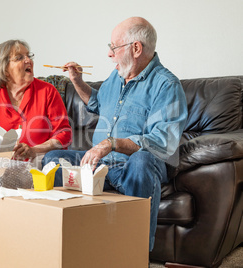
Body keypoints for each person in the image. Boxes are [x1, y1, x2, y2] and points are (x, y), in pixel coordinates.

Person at [42, 17, 188, 251]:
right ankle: (63, 246)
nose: (109, 54)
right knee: (52, 160)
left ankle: (135, 254)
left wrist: (112, 143)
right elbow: (98, 103)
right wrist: (77, 81)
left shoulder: (166, 85)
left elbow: (162, 142)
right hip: (101, 166)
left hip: (134, 167)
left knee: (142, 160)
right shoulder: (115, 77)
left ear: (136, 48)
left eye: (113, 47)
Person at [0, 39, 72, 162]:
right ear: (4, 69)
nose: (28, 60)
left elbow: (63, 134)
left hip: (39, 165)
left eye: (28, 56)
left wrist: (34, 150)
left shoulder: (47, 91)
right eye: (19, 58)